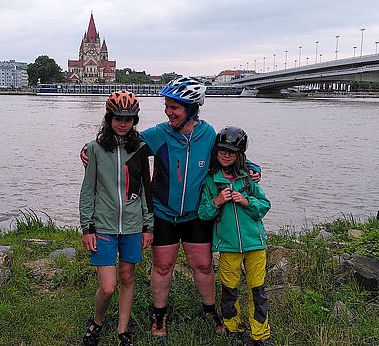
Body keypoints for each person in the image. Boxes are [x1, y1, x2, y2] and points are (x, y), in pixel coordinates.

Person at [80, 77, 261, 339]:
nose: (168, 112)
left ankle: (210, 310)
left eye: (174, 107)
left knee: (203, 265)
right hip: (163, 212)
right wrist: (87, 148)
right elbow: (121, 140)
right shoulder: (158, 134)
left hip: (196, 213)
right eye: (167, 106)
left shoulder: (208, 134)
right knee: (162, 266)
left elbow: (226, 153)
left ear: (191, 108)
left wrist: (250, 167)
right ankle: (159, 314)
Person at [79, 91, 154, 346]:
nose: (123, 124)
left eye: (129, 119)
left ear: (135, 120)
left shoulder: (141, 148)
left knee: (127, 277)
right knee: (109, 286)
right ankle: (97, 321)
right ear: (109, 118)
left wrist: (148, 225)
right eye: (118, 118)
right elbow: (88, 190)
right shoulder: (95, 148)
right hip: (103, 226)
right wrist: (86, 228)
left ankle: (123, 330)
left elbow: (145, 188)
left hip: (133, 225)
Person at [198, 126, 271, 346]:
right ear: (216, 151)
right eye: (222, 150)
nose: (226, 155)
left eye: (232, 151)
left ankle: (260, 334)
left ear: (240, 155)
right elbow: (203, 213)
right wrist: (217, 201)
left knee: (257, 290)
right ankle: (233, 329)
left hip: (255, 245)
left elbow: (265, 205)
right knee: (230, 291)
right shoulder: (211, 180)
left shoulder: (248, 180)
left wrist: (247, 201)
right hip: (228, 246)